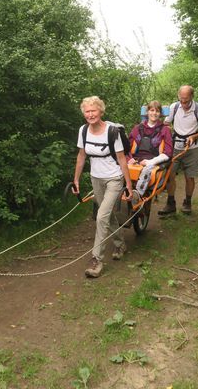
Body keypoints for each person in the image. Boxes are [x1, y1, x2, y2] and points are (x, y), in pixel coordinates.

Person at [72, 96, 133, 278]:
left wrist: (128, 184)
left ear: (101, 111)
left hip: (114, 178)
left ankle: (96, 260)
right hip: (95, 178)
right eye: (87, 111)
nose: (90, 114)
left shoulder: (112, 132)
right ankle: (120, 243)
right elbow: (82, 156)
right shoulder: (83, 131)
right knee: (107, 214)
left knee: (101, 217)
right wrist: (76, 179)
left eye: (93, 110)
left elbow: (122, 158)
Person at [158, 85, 198, 216]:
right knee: (169, 176)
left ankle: (187, 202)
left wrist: (194, 136)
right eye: (181, 100)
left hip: (192, 148)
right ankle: (170, 204)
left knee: (189, 177)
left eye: (186, 100)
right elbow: (166, 123)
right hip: (175, 147)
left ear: (192, 97)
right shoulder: (174, 107)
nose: (183, 103)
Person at [128, 100, 173, 195]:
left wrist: (150, 162)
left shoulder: (165, 130)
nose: (154, 113)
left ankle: (138, 195)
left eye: (157, 111)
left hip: (154, 161)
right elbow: (127, 148)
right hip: (136, 160)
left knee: (147, 170)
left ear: (160, 114)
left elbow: (168, 153)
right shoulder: (137, 128)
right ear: (147, 112)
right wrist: (129, 159)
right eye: (152, 110)